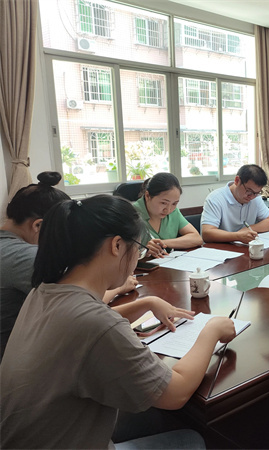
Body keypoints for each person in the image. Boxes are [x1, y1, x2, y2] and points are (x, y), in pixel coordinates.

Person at [0, 195, 236, 448]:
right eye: (138, 247)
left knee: (151, 415)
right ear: (117, 245)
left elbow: (84, 329)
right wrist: (211, 331)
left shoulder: (44, 291)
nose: (137, 257)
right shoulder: (96, 324)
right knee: (193, 439)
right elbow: (176, 393)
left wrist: (145, 303)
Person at [0, 172, 135, 361]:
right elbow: (78, 301)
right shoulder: (25, 256)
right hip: (18, 356)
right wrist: (119, 288)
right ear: (38, 226)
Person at [201, 164, 269, 243]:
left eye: (256, 193)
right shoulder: (215, 199)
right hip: (221, 247)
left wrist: (248, 229)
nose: (251, 197)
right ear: (237, 181)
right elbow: (207, 233)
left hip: (244, 247)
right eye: (249, 191)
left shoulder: (255, 198)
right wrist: (237, 236)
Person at [133, 172, 203, 257]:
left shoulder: (173, 212)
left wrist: (162, 243)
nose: (168, 210)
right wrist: (143, 252)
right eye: (163, 203)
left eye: (174, 203)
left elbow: (196, 238)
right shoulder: (131, 214)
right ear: (147, 196)